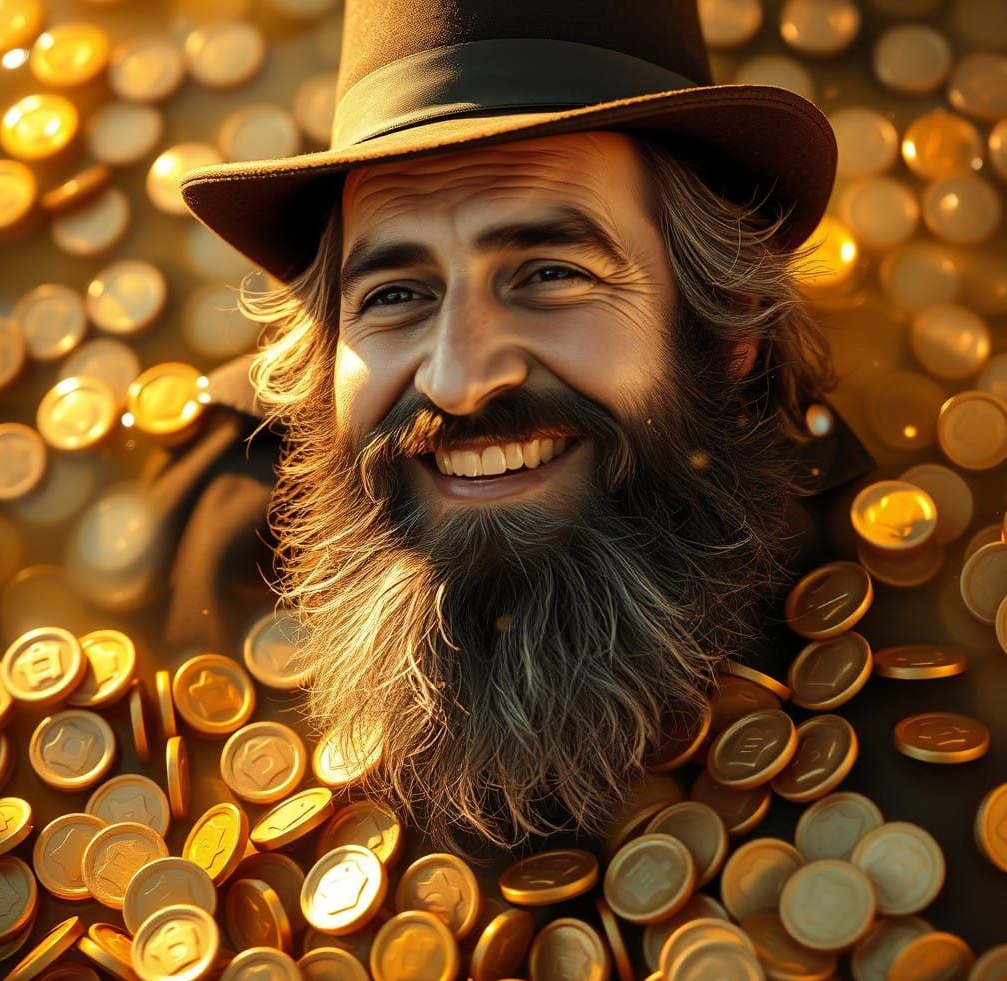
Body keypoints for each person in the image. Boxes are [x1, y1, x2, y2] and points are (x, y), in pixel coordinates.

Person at [178, 0, 875, 854]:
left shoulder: (883, 604)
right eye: (395, 294)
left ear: (727, 325)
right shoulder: (200, 519)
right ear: (323, 354)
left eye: (549, 274)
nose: (460, 381)